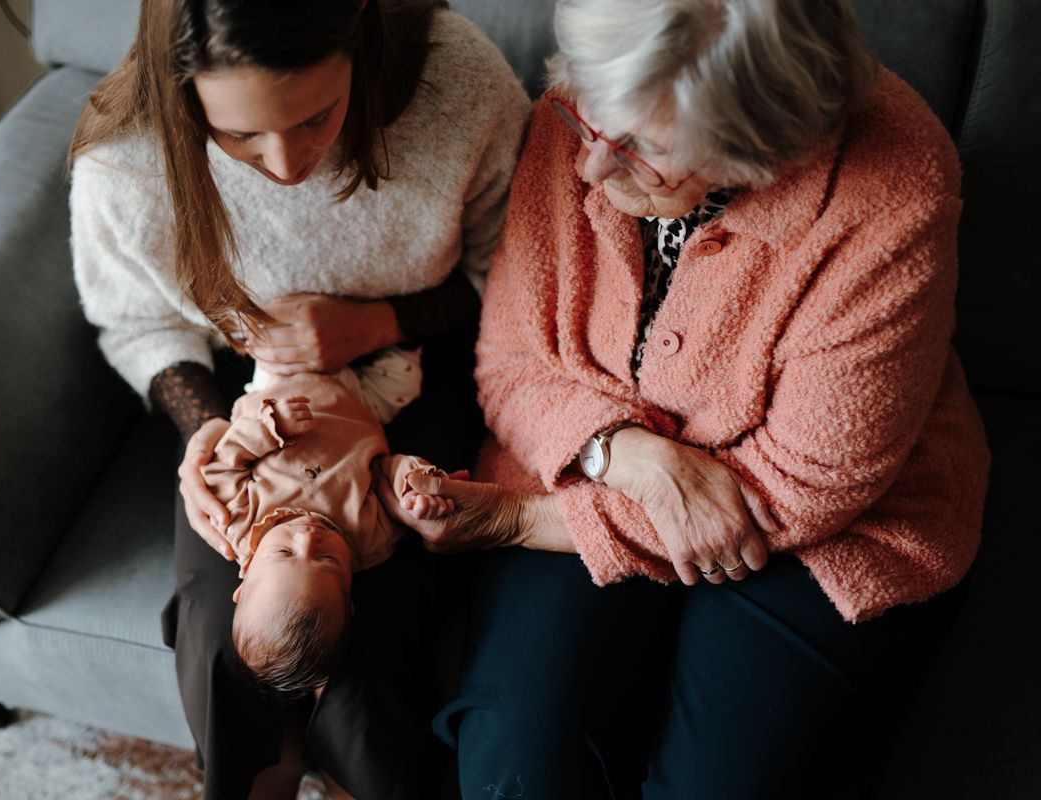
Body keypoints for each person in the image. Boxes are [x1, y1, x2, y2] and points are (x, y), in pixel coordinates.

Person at [380, 0, 991, 797]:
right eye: (584, 115)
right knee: (520, 761)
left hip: (818, 529)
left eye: (641, 150)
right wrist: (622, 454)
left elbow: (808, 486)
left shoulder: (896, 185)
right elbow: (510, 360)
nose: (591, 168)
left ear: (764, 144)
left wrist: (519, 520)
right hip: (589, 472)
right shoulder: (585, 119)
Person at [67, 0, 530, 796]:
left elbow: (520, 279)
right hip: (246, 398)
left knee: (375, 658)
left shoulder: (456, 84)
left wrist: (378, 321)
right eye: (240, 135)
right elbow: (135, 324)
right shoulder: (125, 160)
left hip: (417, 368)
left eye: (318, 116)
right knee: (222, 642)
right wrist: (210, 432)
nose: (286, 165)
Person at [202, 369, 452, 698]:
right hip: (358, 397)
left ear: (244, 580)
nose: (308, 538)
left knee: (277, 334)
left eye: (284, 553)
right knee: (404, 377)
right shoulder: (370, 538)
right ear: (349, 597)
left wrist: (269, 428)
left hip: (279, 383)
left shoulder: (238, 521)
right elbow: (386, 472)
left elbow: (222, 464)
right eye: (326, 558)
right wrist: (417, 488)